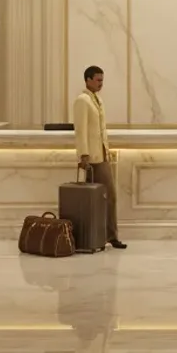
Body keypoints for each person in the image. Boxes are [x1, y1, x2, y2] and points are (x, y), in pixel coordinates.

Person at [73, 65, 126, 249]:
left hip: (102, 154)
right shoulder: (82, 100)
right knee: (101, 197)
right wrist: (83, 155)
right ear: (87, 80)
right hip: (92, 158)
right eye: (98, 80)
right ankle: (102, 237)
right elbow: (81, 130)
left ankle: (108, 236)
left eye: (102, 80)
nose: (101, 83)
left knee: (107, 197)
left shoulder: (97, 100)